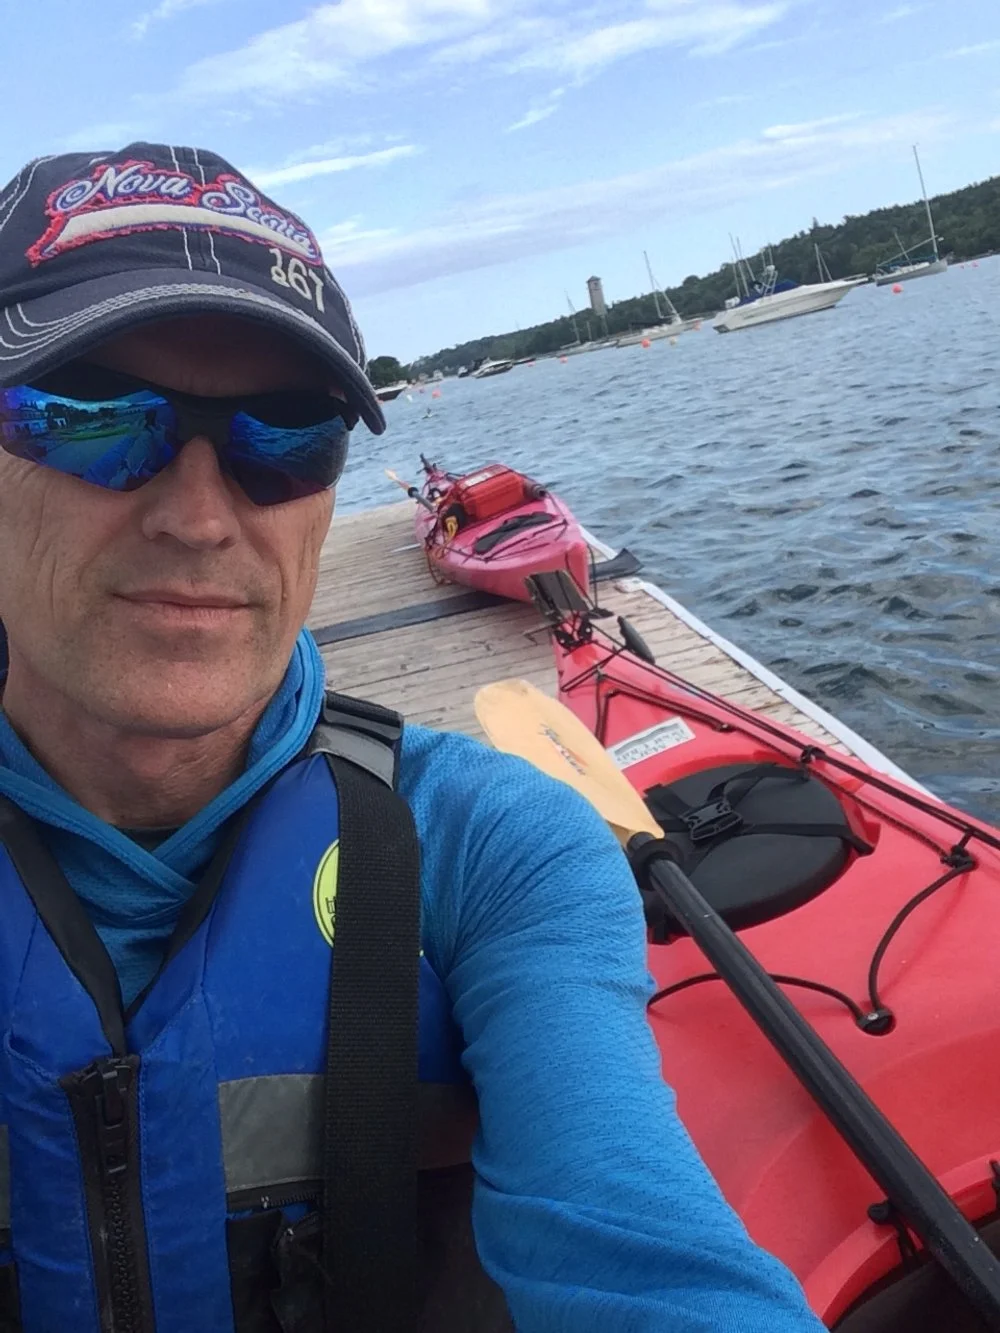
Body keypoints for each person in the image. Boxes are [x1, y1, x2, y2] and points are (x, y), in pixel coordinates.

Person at [0, 143, 825, 1332]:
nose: (197, 515)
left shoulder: (491, 849)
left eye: (285, 433)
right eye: (92, 419)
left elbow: (647, 1266)